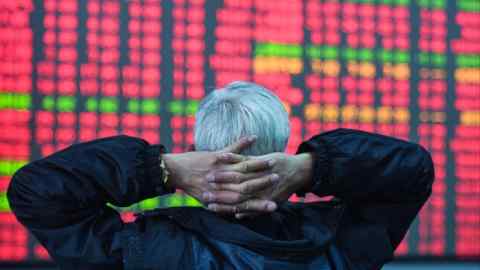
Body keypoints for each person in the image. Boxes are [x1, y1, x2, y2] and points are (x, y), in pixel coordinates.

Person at [7, 81, 434, 270]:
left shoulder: (139, 251)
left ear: (197, 156)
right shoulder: (338, 247)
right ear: (283, 156)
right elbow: (413, 170)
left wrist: (164, 170)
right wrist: (312, 169)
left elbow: (32, 191)